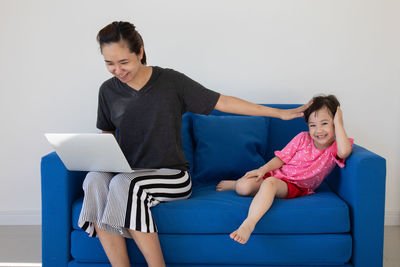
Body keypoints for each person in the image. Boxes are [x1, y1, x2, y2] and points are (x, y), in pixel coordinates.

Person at [78, 21, 311, 267]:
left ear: (140, 51)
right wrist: (99, 157)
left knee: (124, 184)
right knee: (94, 179)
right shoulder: (107, 91)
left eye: (123, 62)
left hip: (170, 175)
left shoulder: (170, 82)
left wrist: (278, 113)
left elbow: (224, 103)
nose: (117, 70)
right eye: (109, 63)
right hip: (128, 171)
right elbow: (108, 133)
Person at [216, 95, 353, 245]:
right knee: (244, 187)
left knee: (270, 183)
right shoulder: (302, 138)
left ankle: (248, 224)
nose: (318, 130)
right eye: (312, 125)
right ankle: (235, 183)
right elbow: (281, 159)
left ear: (335, 123)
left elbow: (345, 152)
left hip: (295, 186)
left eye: (325, 123)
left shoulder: (335, 147)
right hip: (279, 174)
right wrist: (262, 169)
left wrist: (339, 122)